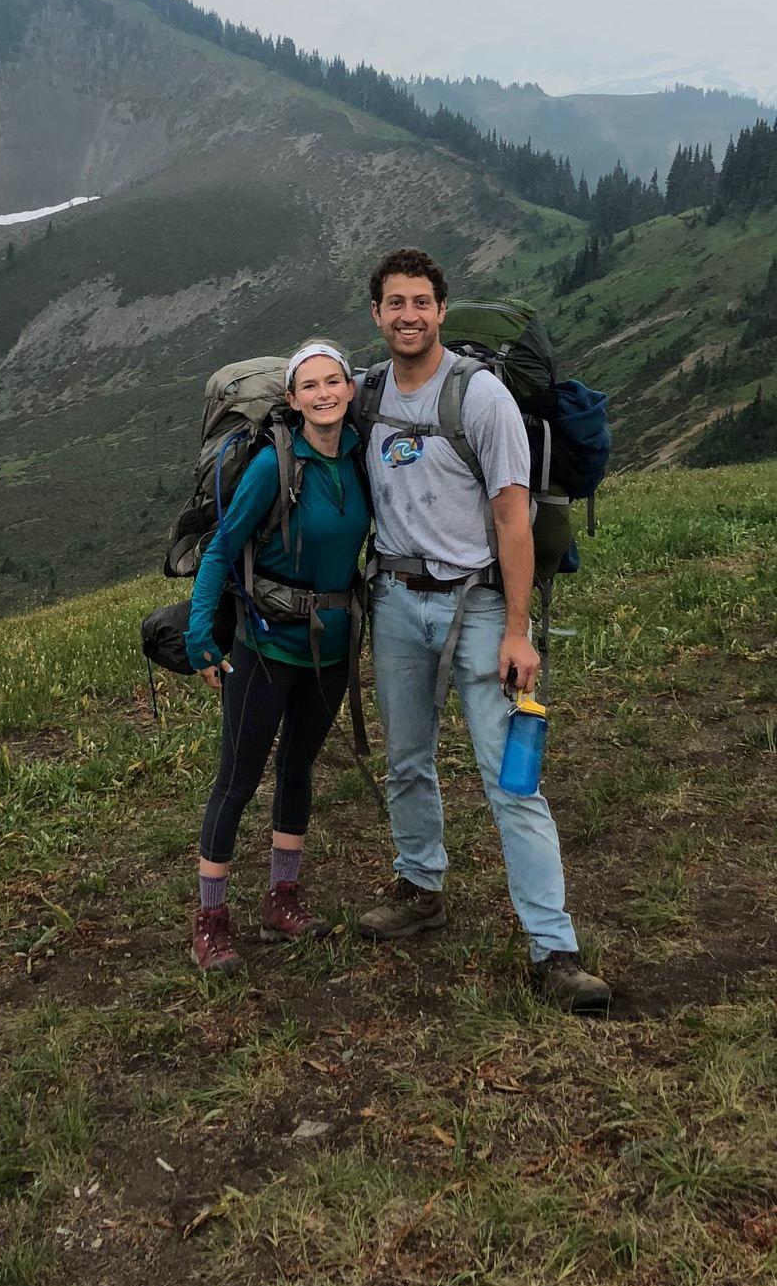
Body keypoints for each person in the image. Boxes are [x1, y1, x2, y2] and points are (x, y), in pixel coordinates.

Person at [352, 247, 610, 1013]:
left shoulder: (483, 398)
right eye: (394, 302)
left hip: (479, 607)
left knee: (512, 781)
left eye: (421, 302)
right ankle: (419, 886)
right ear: (376, 313)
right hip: (396, 600)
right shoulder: (366, 394)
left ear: (440, 309)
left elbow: (512, 516)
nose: (408, 315)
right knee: (406, 759)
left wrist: (519, 630)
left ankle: (553, 948)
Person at [184, 342, 370, 972]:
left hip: (333, 647)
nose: (323, 394)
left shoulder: (361, 458)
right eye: (309, 386)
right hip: (264, 645)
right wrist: (200, 637)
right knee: (236, 780)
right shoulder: (272, 465)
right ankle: (211, 921)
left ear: (349, 389)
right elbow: (220, 550)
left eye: (333, 382)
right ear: (291, 401)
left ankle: (281, 899)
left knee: (297, 768)